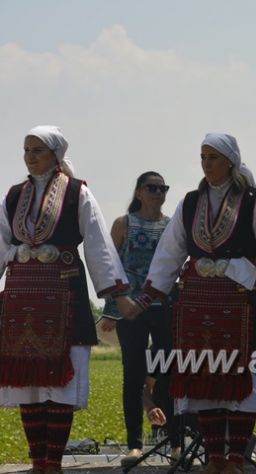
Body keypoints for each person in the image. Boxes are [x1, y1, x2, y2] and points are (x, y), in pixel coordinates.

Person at [127, 133, 256, 474]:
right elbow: (171, 250)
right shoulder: (191, 202)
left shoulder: (253, 202)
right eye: (202, 157)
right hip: (197, 303)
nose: (206, 164)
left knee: (240, 378)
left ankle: (236, 458)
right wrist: (150, 294)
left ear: (230, 162)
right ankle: (215, 458)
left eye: (212, 157)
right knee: (202, 377)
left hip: (240, 304)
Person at [0, 126, 133, 473]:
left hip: (63, 295)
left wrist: (117, 295)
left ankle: (53, 463)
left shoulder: (77, 193)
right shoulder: (14, 196)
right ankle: (38, 462)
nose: (30, 157)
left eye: (38, 150)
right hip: (21, 295)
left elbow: (98, 244)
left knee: (58, 386)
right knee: (29, 385)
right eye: (26, 150)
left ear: (55, 155)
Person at [100, 171, 174, 465]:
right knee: (133, 374)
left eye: (163, 188)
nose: (158, 193)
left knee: (169, 370)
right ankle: (135, 445)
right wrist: (111, 310)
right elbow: (110, 266)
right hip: (130, 308)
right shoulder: (124, 224)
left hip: (163, 305)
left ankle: (174, 439)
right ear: (139, 192)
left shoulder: (171, 226)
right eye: (152, 187)